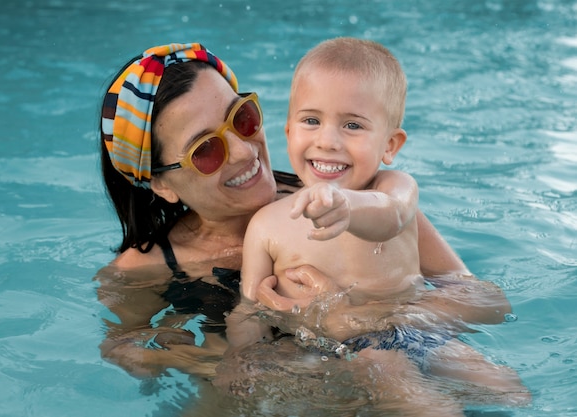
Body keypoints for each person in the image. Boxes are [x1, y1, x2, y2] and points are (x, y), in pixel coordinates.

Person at [95, 42, 517, 409]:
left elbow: (484, 302)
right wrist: (196, 360)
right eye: (207, 149)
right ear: (162, 183)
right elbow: (126, 354)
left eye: (242, 118)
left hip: (404, 366)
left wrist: (353, 321)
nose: (245, 152)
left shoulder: (355, 196)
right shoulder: (145, 271)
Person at [224, 38, 530, 413]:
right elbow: (249, 309)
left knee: (512, 392)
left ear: (390, 145)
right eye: (311, 120)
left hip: (420, 333)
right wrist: (241, 363)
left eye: (352, 125)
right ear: (288, 131)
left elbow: (391, 213)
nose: (328, 140)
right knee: (426, 405)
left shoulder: (395, 191)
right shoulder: (268, 225)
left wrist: (347, 207)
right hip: (338, 354)